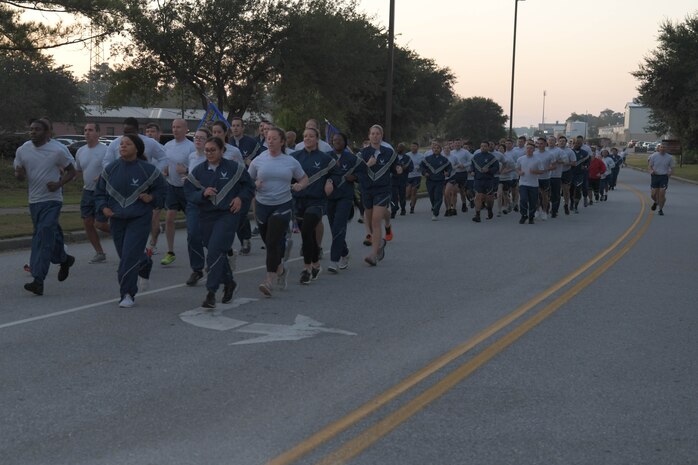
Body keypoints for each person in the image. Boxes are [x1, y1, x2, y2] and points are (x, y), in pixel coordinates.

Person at [95, 134, 166, 308]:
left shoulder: (147, 169)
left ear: (137, 148)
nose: (123, 146)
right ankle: (145, 262)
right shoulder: (110, 169)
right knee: (126, 254)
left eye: (127, 144)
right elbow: (99, 193)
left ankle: (127, 293)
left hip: (139, 218)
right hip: (117, 219)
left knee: (128, 257)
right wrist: (104, 208)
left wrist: (152, 197)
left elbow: (162, 190)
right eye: (121, 144)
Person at [184, 137, 254, 308]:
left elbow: (249, 186)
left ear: (222, 151)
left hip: (227, 215)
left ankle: (211, 292)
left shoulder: (234, 168)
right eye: (207, 150)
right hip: (206, 216)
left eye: (213, 150)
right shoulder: (199, 171)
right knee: (215, 250)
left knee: (215, 251)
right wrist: (202, 194)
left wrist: (240, 198)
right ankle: (229, 282)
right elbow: (189, 193)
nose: (209, 153)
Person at [14, 119, 77, 295]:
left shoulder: (57, 150)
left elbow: (72, 172)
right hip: (34, 201)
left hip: (52, 200)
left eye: (37, 129)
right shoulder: (23, 150)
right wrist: (19, 174)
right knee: (50, 234)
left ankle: (38, 279)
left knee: (42, 234)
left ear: (47, 132)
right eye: (31, 129)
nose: (33, 132)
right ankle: (64, 259)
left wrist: (58, 184)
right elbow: (19, 175)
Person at [249, 127, 308, 296]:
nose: (270, 141)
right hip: (262, 205)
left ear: (282, 142)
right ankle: (280, 269)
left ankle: (269, 280)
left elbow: (304, 178)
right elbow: (248, 180)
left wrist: (299, 185)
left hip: (282, 204)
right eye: (268, 138)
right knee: (269, 243)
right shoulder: (259, 160)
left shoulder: (290, 161)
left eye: (274, 138)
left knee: (273, 241)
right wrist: (255, 185)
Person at [102, 118, 167, 256]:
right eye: (125, 132)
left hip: (141, 192)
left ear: (137, 131)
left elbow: (163, 158)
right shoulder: (115, 144)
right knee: (125, 250)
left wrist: (156, 173)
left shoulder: (149, 143)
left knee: (133, 246)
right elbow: (106, 162)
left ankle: (148, 246)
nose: (126, 140)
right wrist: (114, 175)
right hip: (119, 196)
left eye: (131, 132)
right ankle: (141, 261)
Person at [291, 127, 336, 284]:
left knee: (306, 230)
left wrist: (330, 182)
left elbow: (335, 173)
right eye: (305, 136)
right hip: (299, 201)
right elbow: (288, 175)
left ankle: (307, 269)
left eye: (311, 136)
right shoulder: (295, 157)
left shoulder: (325, 158)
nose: (307, 138)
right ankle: (316, 264)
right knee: (308, 235)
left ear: (317, 139)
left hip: (317, 201)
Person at [358, 125, 401, 266]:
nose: (375, 136)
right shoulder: (363, 153)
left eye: (377, 134)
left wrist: (398, 169)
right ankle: (380, 242)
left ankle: (373, 255)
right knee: (369, 221)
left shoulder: (389, 152)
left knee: (376, 220)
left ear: (381, 136)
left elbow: (396, 167)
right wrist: (368, 165)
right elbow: (357, 172)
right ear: (369, 136)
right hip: (367, 190)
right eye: (372, 134)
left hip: (382, 190)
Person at [326, 133, 364, 273]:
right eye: (334, 140)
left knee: (339, 226)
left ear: (345, 142)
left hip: (345, 197)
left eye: (340, 140)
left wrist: (354, 177)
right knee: (333, 228)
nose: (337, 142)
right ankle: (345, 252)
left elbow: (363, 173)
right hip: (330, 197)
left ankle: (334, 261)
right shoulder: (327, 156)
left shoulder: (352, 158)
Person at [160, 119, 195, 266]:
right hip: (172, 187)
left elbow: (197, 168)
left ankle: (198, 247)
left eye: (179, 127)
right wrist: (166, 169)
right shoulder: (167, 145)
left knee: (193, 224)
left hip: (187, 189)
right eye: (173, 127)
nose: (175, 130)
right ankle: (170, 252)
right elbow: (165, 162)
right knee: (169, 219)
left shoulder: (191, 147)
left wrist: (186, 170)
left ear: (186, 129)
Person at [75, 122, 110, 263]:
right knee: (87, 223)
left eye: (90, 130)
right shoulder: (80, 151)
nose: (87, 133)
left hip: (102, 192)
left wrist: (102, 176)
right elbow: (78, 170)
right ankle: (99, 252)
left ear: (98, 133)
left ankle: (124, 233)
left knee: (100, 224)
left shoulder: (105, 150)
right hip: (87, 191)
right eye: (85, 130)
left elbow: (112, 169)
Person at [516, 142, 547, 224]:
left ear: (534, 150)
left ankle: (531, 217)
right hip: (523, 183)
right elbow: (517, 168)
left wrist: (535, 171)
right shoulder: (521, 159)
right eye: (527, 148)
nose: (529, 150)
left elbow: (542, 171)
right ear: (525, 149)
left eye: (531, 148)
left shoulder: (537, 160)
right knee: (523, 199)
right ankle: (523, 215)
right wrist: (519, 172)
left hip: (534, 184)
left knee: (533, 201)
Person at [420, 140, 451, 221]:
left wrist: (448, 172)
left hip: (439, 181)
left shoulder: (444, 159)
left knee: (438, 196)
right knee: (432, 196)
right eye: (434, 148)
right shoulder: (427, 158)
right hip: (430, 180)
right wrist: (424, 172)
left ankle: (435, 213)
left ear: (440, 150)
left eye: (438, 148)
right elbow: (422, 166)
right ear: (432, 149)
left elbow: (449, 167)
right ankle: (434, 207)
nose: (436, 149)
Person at [470, 142, 500, 222]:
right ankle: (477, 215)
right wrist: (472, 171)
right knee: (478, 196)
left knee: (489, 198)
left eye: (485, 146)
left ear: (488, 147)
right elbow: (472, 166)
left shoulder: (492, 157)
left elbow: (497, 168)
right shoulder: (476, 156)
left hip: (488, 180)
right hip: (478, 180)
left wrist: (489, 170)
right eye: (482, 146)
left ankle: (489, 210)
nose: (483, 147)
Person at [648, 143, 675, 216]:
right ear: (659, 148)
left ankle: (660, 209)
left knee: (662, 194)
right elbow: (650, 166)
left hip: (663, 177)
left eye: (664, 147)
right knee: (653, 194)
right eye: (661, 147)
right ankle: (656, 202)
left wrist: (670, 174)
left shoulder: (669, 157)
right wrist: (651, 171)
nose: (662, 149)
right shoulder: (654, 156)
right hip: (655, 176)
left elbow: (672, 168)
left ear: (666, 149)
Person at [390, 143, 413, 218]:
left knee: (402, 195)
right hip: (393, 179)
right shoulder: (393, 157)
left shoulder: (407, 158)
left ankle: (403, 208)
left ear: (404, 149)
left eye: (401, 148)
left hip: (403, 179)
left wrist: (406, 168)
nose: (399, 149)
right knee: (393, 196)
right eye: (398, 147)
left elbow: (411, 168)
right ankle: (394, 210)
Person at [405, 142, 424, 214]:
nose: (413, 148)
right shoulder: (407, 155)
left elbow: (423, 166)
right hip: (408, 176)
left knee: (414, 191)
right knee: (407, 193)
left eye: (414, 146)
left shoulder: (421, 156)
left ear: (418, 147)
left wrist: (420, 168)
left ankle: (412, 207)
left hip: (417, 176)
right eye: (412, 146)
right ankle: (411, 201)